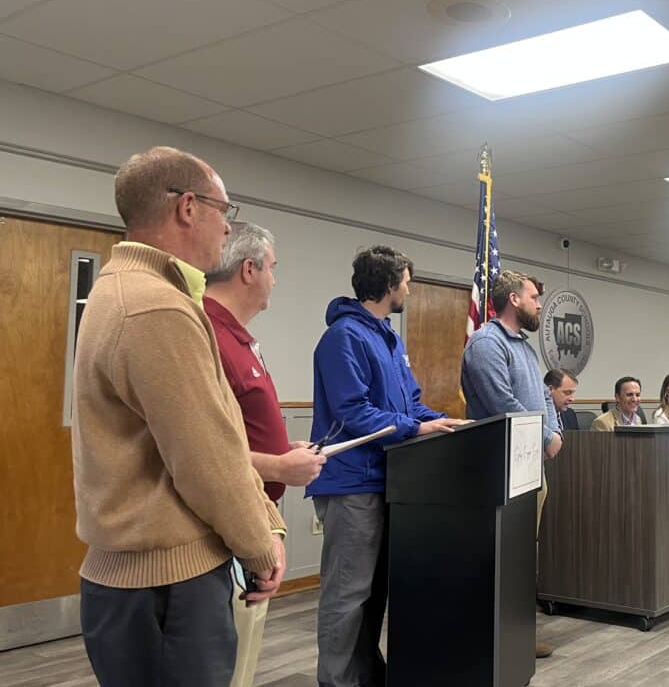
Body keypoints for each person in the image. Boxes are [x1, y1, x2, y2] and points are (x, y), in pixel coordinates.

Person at [72, 146, 286, 687]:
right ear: (188, 208)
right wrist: (260, 545)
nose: (227, 228)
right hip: (165, 589)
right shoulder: (157, 307)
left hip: (144, 586)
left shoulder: (123, 290)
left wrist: (265, 520)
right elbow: (206, 458)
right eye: (224, 211)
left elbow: (217, 435)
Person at [308, 245, 466, 687]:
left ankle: (364, 676)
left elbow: (410, 403)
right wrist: (415, 428)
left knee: (372, 594)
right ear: (389, 284)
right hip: (351, 484)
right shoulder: (343, 337)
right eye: (407, 283)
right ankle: (337, 681)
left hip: (386, 479)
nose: (409, 291)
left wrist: (444, 421)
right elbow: (352, 411)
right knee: (348, 594)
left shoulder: (387, 337)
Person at [204, 221, 327, 687]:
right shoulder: (207, 335)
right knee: (226, 668)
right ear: (249, 269)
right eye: (273, 268)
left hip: (254, 522)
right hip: (225, 533)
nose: (276, 279)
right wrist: (276, 465)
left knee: (241, 661)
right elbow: (201, 450)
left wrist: (281, 449)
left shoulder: (238, 338)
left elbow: (234, 431)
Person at [462, 270, 563, 659]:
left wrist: (555, 432)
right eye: (534, 297)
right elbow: (500, 402)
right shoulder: (486, 344)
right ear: (514, 300)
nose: (539, 304)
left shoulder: (524, 346)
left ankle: (517, 635)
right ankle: (495, 638)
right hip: (500, 467)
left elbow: (544, 396)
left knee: (522, 556)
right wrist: (545, 436)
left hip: (529, 467)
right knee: (501, 556)